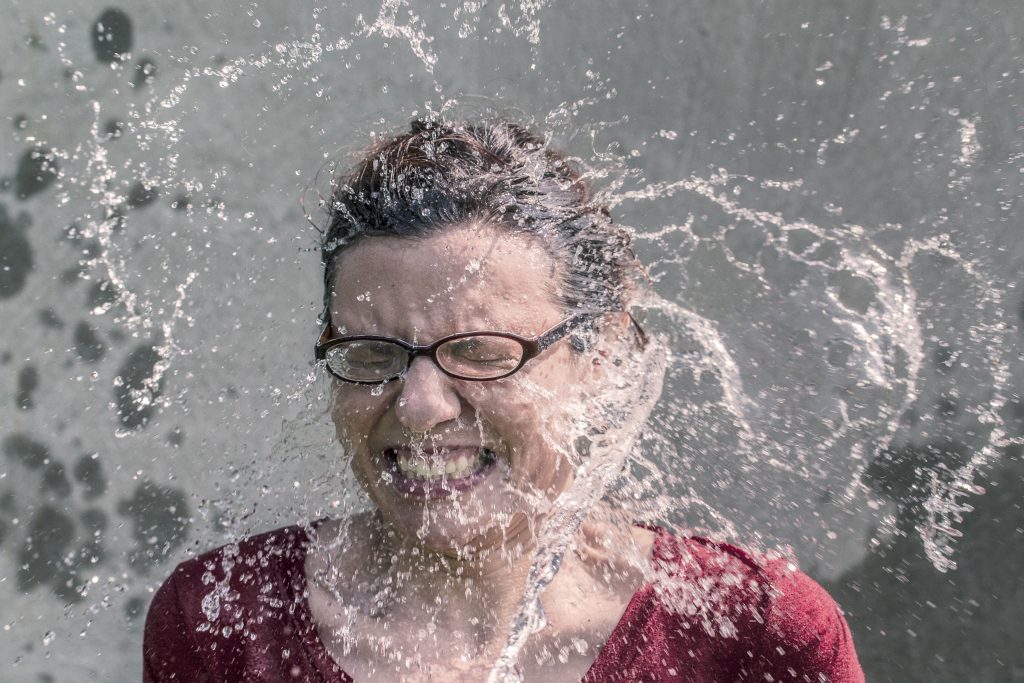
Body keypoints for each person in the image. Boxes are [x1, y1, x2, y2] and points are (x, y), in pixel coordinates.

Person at [143, 118, 864, 682]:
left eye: (482, 352)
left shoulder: (756, 632)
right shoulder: (220, 620)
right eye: (371, 355)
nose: (420, 406)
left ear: (603, 356)